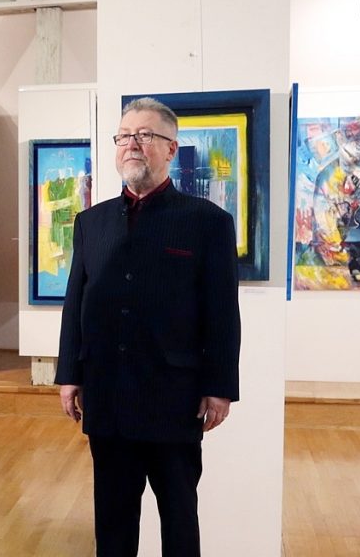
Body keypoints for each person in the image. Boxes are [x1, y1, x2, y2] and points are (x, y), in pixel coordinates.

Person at [56, 97, 241, 557]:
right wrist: (69, 374)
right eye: (124, 137)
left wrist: (220, 387)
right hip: (108, 396)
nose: (132, 145)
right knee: (113, 521)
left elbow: (221, 311)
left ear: (171, 149)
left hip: (173, 398)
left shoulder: (208, 223)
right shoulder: (90, 222)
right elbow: (76, 302)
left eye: (145, 136)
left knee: (180, 519)